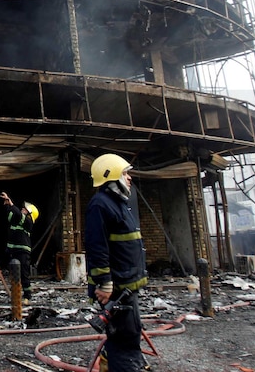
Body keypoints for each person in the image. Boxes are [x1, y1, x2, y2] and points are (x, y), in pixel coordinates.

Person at [86, 153, 148, 372]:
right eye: (125, 173)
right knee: (125, 338)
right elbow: (97, 246)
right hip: (117, 288)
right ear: (111, 176)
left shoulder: (119, 204)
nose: (129, 178)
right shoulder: (101, 205)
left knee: (130, 333)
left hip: (127, 285)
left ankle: (116, 364)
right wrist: (104, 282)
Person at [0, 191, 37, 304]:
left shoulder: (28, 222)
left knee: (23, 274)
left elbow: (17, 213)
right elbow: (12, 215)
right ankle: (16, 295)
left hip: (22, 252)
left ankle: (27, 297)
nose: (22, 209)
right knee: (13, 274)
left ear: (29, 213)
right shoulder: (17, 221)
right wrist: (7, 205)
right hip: (13, 251)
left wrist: (11, 203)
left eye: (25, 209)